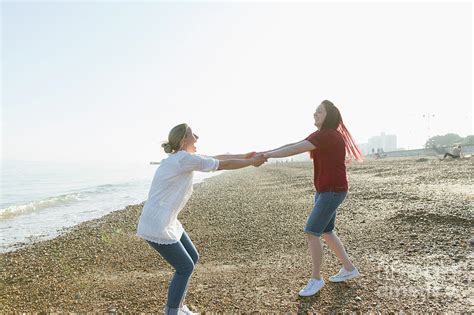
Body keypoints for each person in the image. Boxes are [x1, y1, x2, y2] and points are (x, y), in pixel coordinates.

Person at [137, 123, 267, 315]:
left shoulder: (181, 158)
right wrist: (251, 162)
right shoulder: (182, 159)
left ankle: (178, 306)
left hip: (168, 220)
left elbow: (215, 158)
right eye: (193, 134)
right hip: (156, 223)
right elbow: (224, 164)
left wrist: (244, 156)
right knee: (184, 266)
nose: (197, 137)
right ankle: (172, 311)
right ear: (183, 140)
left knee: (192, 257)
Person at [261, 100, 363, 297]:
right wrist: (266, 153)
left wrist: (266, 155)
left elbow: (294, 150)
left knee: (311, 232)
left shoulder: (327, 135)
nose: (315, 114)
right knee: (326, 232)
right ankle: (349, 269)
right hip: (329, 190)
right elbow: (294, 145)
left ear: (329, 115)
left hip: (332, 190)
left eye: (319, 112)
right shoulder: (325, 135)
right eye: (315, 111)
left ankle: (316, 279)